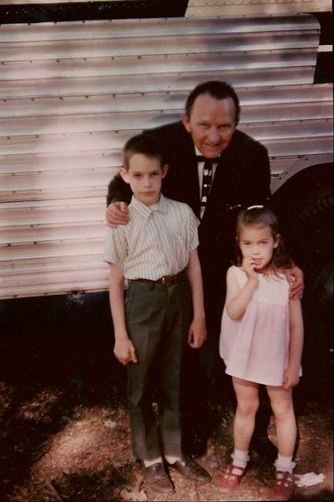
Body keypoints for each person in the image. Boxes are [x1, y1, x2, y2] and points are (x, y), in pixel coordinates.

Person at [106, 80, 304, 457]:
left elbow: (261, 218)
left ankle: (252, 427)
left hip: (223, 265)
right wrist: (116, 205)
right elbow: (123, 180)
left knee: (242, 341)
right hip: (178, 265)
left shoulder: (252, 154)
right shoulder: (159, 142)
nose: (214, 136)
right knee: (182, 353)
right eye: (204, 125)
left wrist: (287, 263)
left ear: (237, 123)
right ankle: (186, 434)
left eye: (225, 126)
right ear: (186, 121)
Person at [104, 133, 212, 495]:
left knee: (175, 380)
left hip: (178, 298)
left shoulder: (181, 213)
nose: (147, 183)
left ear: (164, 172)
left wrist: (198, 316)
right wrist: (121, 335)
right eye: (138, 176)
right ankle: (151, 461)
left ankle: (174, 450)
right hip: (143, 303)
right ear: (125, 175)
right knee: (141, 386)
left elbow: (194, 267)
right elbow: (116, 281)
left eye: (153, 174)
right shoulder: (122, 222)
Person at [217, 205, 304, 501]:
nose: (255, 251)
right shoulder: (236, 275)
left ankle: (284, 468)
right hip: (245, 355)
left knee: (282, 410)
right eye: (248, 243)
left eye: (263, 242)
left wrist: (293, 364)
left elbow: (296, 326)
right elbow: (235, 311)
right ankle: (239, 459)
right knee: (246, 407)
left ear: (276, 241)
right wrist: (252, 281)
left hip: (276, 358)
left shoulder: (286, 279)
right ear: (238, 243)